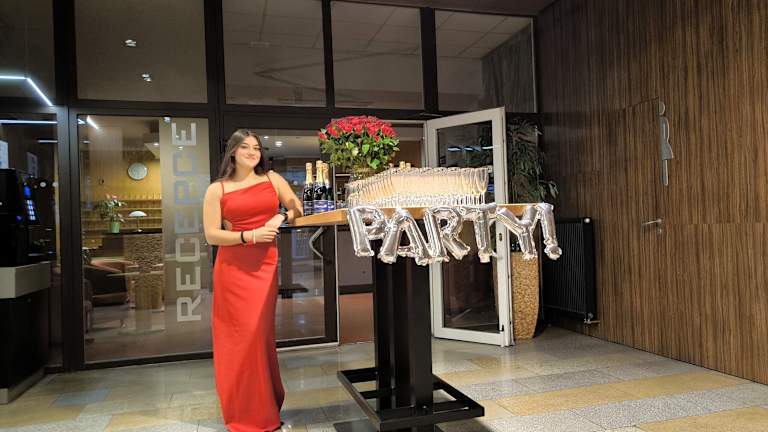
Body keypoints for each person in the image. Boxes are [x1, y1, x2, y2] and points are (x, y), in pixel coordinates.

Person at [203, 129, 303, 432]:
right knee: (239, 340)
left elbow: (296, 207)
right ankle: (247, 414)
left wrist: (280, 217)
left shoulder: (272, 179)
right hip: (232, 269)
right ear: (233, 151)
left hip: (265, 266)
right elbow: (212, 235)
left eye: (256, 148)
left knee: (258, 336)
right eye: (245, 147)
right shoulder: (217, 189)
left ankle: (264, 406)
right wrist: (250, 235)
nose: (252, 152)